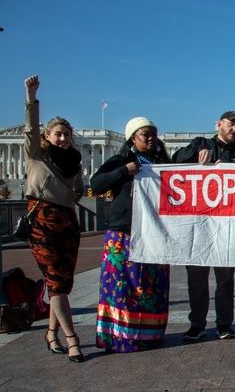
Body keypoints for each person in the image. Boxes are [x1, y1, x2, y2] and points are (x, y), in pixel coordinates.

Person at [173, 111, 235, 341]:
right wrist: (196, 163)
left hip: (226, 225)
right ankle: (197, 323)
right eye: (231, 124)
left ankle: (224, 324)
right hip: (198, 224)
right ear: (218, 124)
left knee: (225, 279)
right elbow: (173, 164)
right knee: (196, 278)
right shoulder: (201, 145)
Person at [91, 117, 171, 352]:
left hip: (153, 233)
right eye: (144, 134)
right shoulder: (122, 160)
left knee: (151, 286)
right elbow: (96, 185)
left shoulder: (162, 162)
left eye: (153, 134)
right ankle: (120, 336)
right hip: (123, 232)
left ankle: (150, 335)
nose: (150, 139)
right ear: (132, 138)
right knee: (122, 286)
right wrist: (124, 171)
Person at [23, 75, 85, 362]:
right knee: (57, 284)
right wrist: (31, 97)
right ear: (47, 136)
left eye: (66, 134)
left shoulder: (75, 161)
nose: (62, 138)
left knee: (62, 283)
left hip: (67, 223)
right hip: (42, 223)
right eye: (57, 134)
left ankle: (51, 334)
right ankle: (73, 340)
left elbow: (77, 192)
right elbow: (29, 129)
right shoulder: (36, 155)